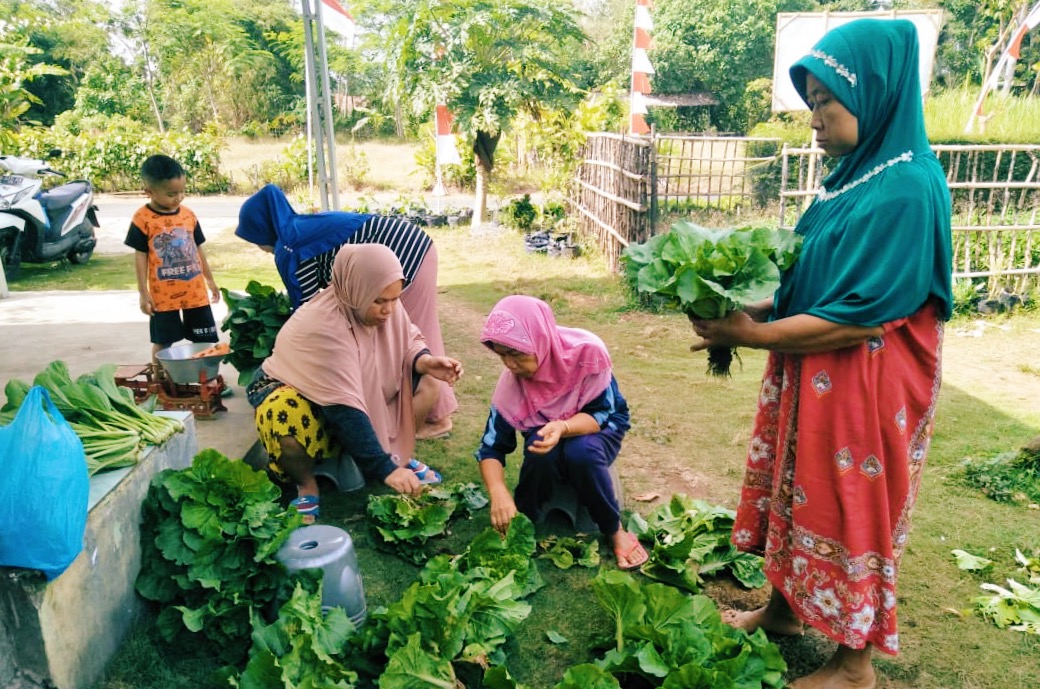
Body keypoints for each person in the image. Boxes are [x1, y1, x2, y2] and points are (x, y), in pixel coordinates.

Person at [688, 19, 953, 689]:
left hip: (867, 386)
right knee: (798, 491)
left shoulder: (909, 188)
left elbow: (858, 315)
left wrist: (750, 335)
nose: (813, 119)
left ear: (872, 93)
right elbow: (808, 279)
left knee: (849, 503)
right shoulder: (852, 182)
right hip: (816, 376)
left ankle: (855, 664)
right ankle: (784, 611)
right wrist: (743, 312)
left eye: (824, 102)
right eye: (810, 103)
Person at [247, 243, 463, 523]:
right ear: (356, 290)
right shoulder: (323, 325)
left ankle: (398, 453)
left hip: (351, 393)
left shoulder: (382, 298)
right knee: (282, 414)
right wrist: (383, 470)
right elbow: (343, 409)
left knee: (431, 382)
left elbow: (407, 340)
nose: (388, 310)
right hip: (302, 395)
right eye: (380, 301)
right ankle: (306, 484)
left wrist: (425, 361)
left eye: (394, 299)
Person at [236, 184, 456, 440]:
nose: (259, 247)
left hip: (407, 257)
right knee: (407, 336)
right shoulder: (299, 227)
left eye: (254, 239)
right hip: (415, 245)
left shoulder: (289, 247)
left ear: (262, 229)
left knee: (412, 336)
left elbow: (306, 305)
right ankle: (411, 410)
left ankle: (436, 417)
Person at [474, 295, 647, 570]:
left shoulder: (587, 354)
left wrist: (563, 426)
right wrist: (498, 492)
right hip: (548, 430)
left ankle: (614, 530)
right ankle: (524, 519)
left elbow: (601, 413)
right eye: (501, 354)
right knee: (541, 445)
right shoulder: (512, 387)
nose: (509, 364)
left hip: (599, 424)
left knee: (581, 452)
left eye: (516, 353)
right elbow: (491, 447)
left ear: (540, 341)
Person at [125, 154, 220, 366]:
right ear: (149, 191)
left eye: (182, 192)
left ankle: (209, 381)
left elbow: (198, 249)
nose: (179, 198)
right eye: (171, 194)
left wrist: (210, 280)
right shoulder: (142, 219)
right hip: (162, 297)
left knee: (206, 339)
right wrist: (143, 292)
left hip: (195, 292)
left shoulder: (188, 215)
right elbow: (140, 257)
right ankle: (162, 380)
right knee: (163, 341)